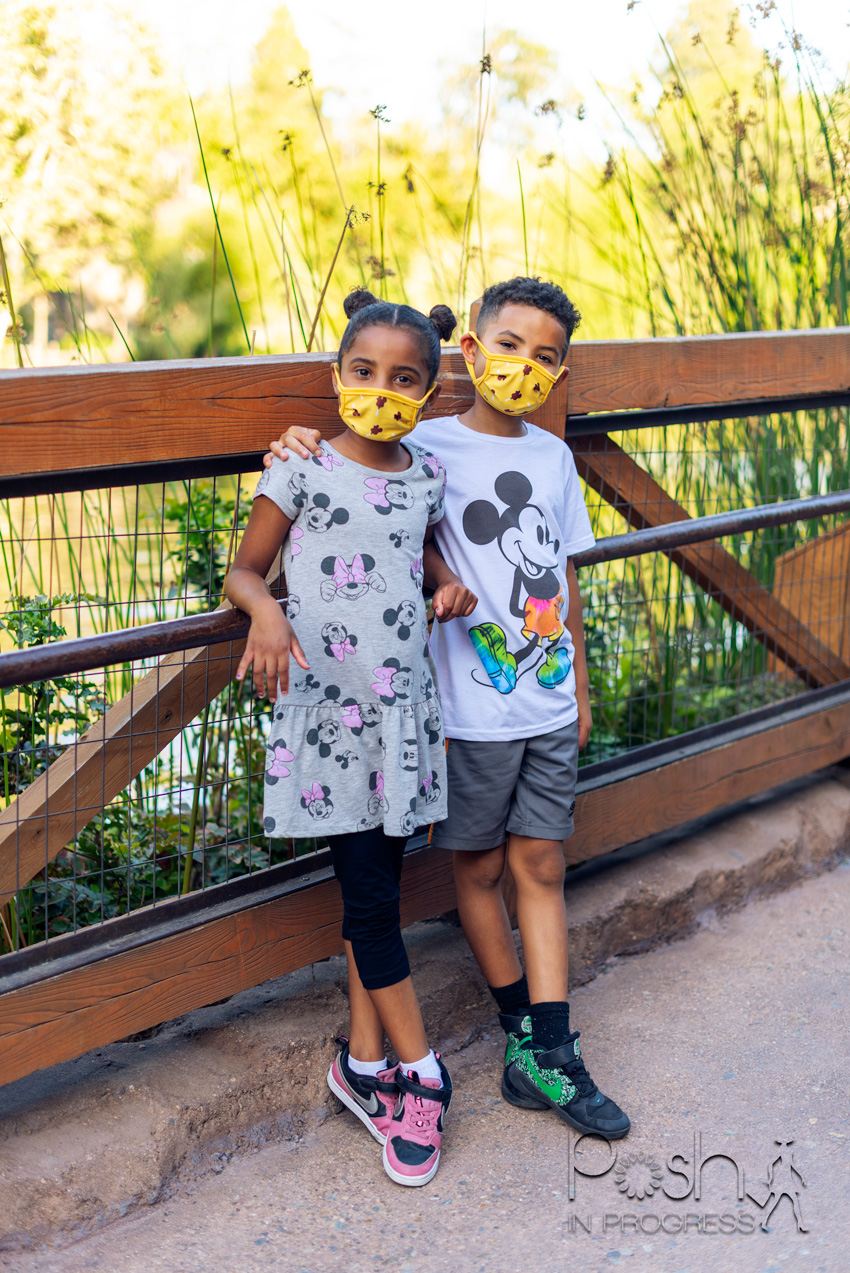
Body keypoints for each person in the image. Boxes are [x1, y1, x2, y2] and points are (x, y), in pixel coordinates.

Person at [265, 275, 630, 1141]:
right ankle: (519, 1028)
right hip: (465, 711)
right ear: (469, 350)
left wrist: (580, 689)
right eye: (508, 346)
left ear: (561, 369)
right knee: (479, 867)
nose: (524, 366)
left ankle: (549, 1045)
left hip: (546, 701)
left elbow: (564, 576)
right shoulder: (423, 443)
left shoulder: (553, 456)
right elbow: (356, 453)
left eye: (545, 356)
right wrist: (292, 441)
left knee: (543, 863)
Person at [226, 288, 477, 1187]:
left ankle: (362, 1066)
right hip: (331, 718)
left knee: (377, 890)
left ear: (430, 390)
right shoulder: (300, 468)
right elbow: (244, 570)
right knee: (370, 897)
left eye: (405, 378)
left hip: (400, 714)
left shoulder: (426, 474)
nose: (381, 388)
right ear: (337, 375)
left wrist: (446, 585)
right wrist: (265, 612)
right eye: (364, 371)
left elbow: (421, 553)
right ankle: (425, 1073)